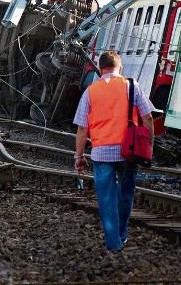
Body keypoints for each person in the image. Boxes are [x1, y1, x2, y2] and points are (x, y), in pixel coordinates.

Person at [73, 51, 155, 251]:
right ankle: (121, 234)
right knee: (125, 193)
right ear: (121, 67)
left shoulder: (90, 91)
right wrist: (149, 145)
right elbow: (149, 118)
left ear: (101, 70)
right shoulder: (132, 86)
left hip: (101, 153)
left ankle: (113, 243)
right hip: (129, 151)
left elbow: (83, 128)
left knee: (106, 198)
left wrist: (79, 156)